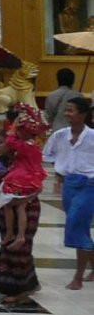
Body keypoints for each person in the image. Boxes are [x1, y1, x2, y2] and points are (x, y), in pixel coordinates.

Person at [0, 104, 46, 303]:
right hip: (9, 196)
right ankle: (22, 285)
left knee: (20, 248)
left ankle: (20, 290)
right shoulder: (14, 149)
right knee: (9, 244)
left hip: (26, 199)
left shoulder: (27, 147)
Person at [44, 95, 94, 289]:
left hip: (89, 185)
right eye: (66, 110)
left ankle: (78, 277)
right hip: (69, 185)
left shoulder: (91, 137)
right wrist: (59, 170)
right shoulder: (60, 135)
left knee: (75, 222)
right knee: (80, 226)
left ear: (83, 114)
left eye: (71, 110)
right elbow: (48, 154)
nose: (67, 114)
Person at [43, 67, 78, 132]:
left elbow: (47, 117)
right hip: (74, 131)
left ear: (58, 80)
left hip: (56, 130)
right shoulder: (78, 96)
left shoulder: (51, 96)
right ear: (73, 81)